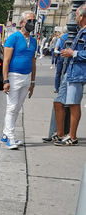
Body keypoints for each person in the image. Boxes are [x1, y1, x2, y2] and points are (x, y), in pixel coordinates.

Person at [0, 11, 37, 150]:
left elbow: (33, 62)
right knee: (12, 107)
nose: (32, 23)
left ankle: (5, 134)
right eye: (29, 21)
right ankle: (10, 138)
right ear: (22, 23)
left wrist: (32, 82)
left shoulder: (33, 41)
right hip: (14, 76)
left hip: (27, 77)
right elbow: (6, 61)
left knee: (17, 107)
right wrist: (5, 80)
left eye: (34, 20)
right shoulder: (13, 38)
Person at [53, 4, 86, 146]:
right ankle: (61, 134)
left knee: (73, 103)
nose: (75, 18)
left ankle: (72, 137)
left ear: (82, 17)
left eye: (76, 15)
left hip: (78, 73)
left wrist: (73, 53)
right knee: (58, 102)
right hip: (71, 71)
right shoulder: (81, 31)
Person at [54, 27, 69, 92]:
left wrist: (58, 53)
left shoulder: (61, 38)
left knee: (58, 73)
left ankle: (57, 88)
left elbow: (56, 49)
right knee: (66, 73)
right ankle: (64, 88)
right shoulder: (73, 37)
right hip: (68, 56)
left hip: (61, 56)